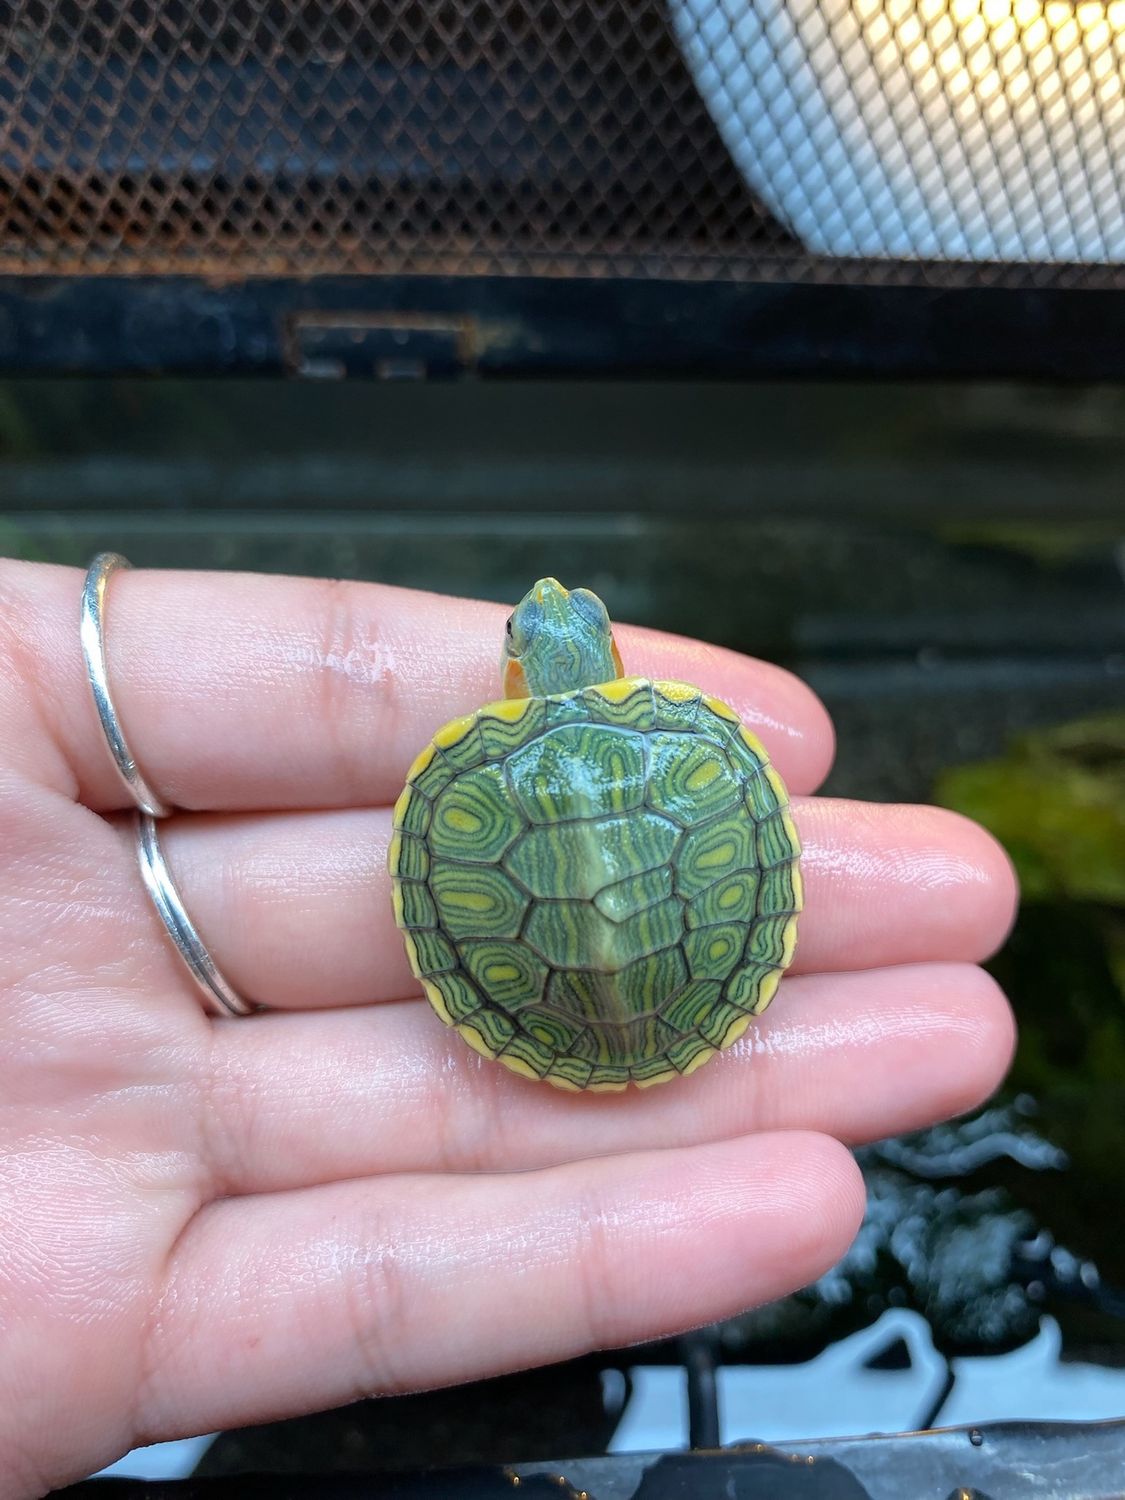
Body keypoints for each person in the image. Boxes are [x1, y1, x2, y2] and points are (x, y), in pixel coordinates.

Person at [0, 559, 1017, 1498]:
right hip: (690, 986)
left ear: (511, 670)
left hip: (534, 1002)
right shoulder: (691, 738)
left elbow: (422, 875)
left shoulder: (455, 774)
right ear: (615, 653)